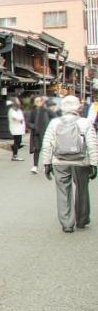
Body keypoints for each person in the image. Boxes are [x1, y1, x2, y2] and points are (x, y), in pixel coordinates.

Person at [39, 95, 98, 232]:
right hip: (81, 161)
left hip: (60, 161)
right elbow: (92, 145)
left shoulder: (54, 123)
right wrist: (94, 164)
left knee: (63, 191)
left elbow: (47, 144)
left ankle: (67, 223)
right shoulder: (86, 122)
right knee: (82, 189)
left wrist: (46, 163)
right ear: (78, 107)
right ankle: (82, 219)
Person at [27, 95, 51, 174]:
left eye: (39, 101)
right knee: (37, 149)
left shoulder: (47, 111)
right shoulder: (32, 112)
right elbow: (28, 123)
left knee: (46, 150)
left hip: (46, 133)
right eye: (36, 101)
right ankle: (35, 166)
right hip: (36, 133)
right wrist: (34, 126)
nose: (38, 103)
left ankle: (46, 166)